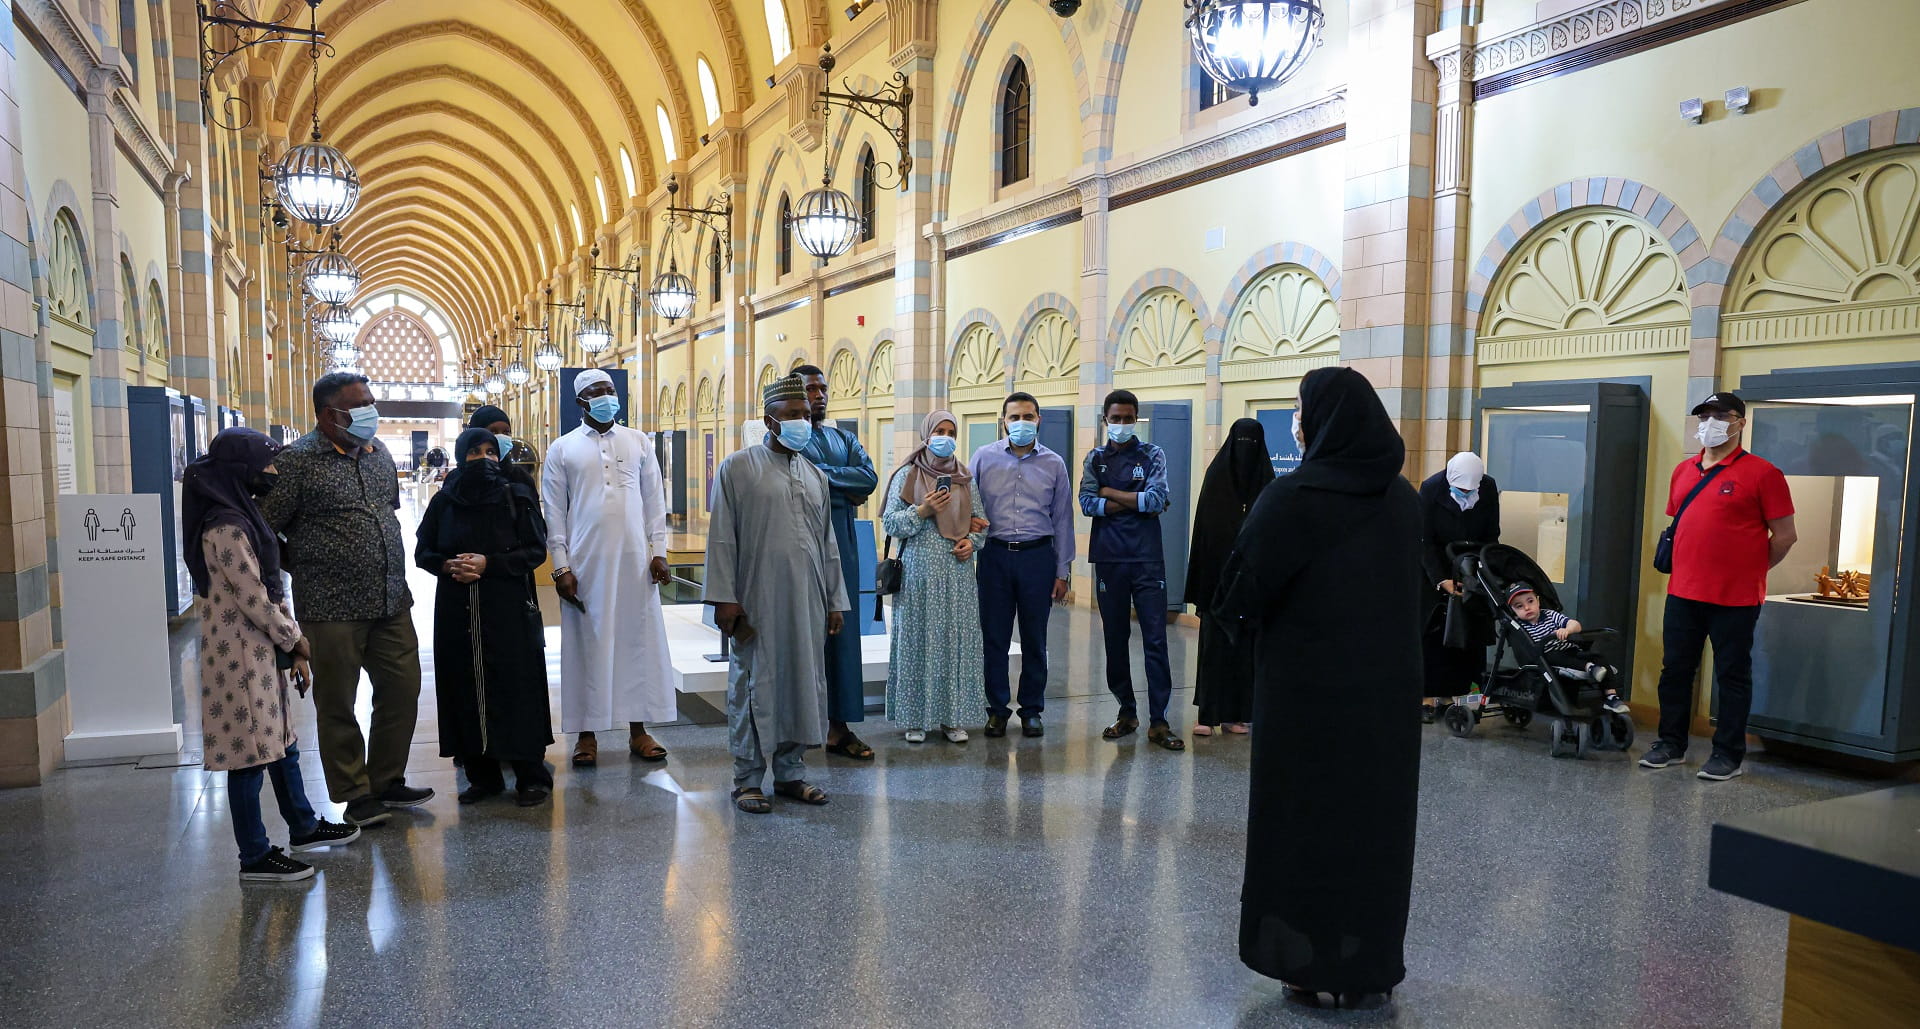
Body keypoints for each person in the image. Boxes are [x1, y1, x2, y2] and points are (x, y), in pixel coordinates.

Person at [1211, 366, 1423, 1007]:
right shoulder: (1404, 498)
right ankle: (1371, 964)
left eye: (1301, 411)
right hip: (1385, 699)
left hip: (1306, 698)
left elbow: (1237, 595)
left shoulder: (1292, 499)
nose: (1296, 424)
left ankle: (1305, 962)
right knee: (1374, 831)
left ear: (1319, 420)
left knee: (1303, 826)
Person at [186, 428, 360, 882]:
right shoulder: (224, 525)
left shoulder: (246, 515)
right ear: (240, 468)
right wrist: (295, 639)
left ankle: (302, 826)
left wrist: (291, 648)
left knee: (282, 742)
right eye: (266, 464)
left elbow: (272, 585)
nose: (273, 472)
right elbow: (252, 597)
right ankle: (255, 856)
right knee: (247, 756)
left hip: (264, 651)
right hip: (238, 656)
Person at [260, 373, 431, 827]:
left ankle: (387, 779)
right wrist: (306, 566)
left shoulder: (379, 455)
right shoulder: (296, 461)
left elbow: (387, 513)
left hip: (391, 599)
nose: (368, 412)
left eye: (370, 402)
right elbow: (265, 529)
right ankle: (355, 792)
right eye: (359, 405)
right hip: (331, 607)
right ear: (328, 414)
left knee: (402, 689)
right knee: (337, 702)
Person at [704, 373, 849, 813]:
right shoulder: (738, 468)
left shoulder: (815, 475)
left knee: (801, 683)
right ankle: (747, 778)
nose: (803, 421)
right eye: (792, 416)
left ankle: (790, 773)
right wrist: (726, 599)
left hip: (806, 600)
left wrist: (835, 599)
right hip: (756, 599)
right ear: (770, 421)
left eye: (806, 414)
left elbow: (827, 544)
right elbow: (722, 538)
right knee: (753, 685)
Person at [1642, 391, 1796, 782]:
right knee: (1675, 670)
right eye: (1704, 416)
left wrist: (1752, 570)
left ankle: (1728, 753)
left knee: (1731, 674)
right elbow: (1680, 524)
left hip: (1736, 597)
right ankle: (1670, 744)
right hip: (1683, 592)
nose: (1710, 423)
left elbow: (1785, 536)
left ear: (1740, 423)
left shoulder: (1763, 473)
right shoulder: (1684, 471)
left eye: (1720, 415)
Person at [542, 369, 678, 767]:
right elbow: (554, 512)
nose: (607, 397)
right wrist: (561, 566)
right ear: (582, 401)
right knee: (588, 643)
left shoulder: (638, 441)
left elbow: (655, 500)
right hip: (586, 562)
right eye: (597, 392)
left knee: (637, 641)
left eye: (611, 390)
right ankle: (587, 734)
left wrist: (660, 551)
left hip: (636, 560)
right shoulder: (562, 449)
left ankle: (639, 731)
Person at [417, 428, 556, 807]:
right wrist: (447, 564)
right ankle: (482, 776)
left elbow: (534, 551)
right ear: (461, 457)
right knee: (464, 686)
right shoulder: (445, 500)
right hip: (457, 609)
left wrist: (489, 564)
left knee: (516, 684)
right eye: (475, 451)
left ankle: (531, 775)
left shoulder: (516, 494)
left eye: (490, 451)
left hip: (507, 606)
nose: (484, 458)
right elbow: (422, 552)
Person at [1079, 389, 1183, 751]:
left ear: (1136, 419)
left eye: (1127, 418)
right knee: (1115, 639)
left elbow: (1157, 499)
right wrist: (1134, 501)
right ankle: (1127, 712)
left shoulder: (1152, 454)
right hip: (1109, 559)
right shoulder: (1095, 458)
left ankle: (1159, 721)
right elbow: (1087, 503)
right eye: (1115, 418)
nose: (1121, 424)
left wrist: (1113, 493)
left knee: (1156, 640)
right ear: (1105, 419)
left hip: (1146, 559)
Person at [970, 392, 1074, 739]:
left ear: (1038, 420)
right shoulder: (983, 459)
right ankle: (996, 710)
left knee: (1035, 638)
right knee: (995, 639)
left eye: (1028, 417)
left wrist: (1062, 571)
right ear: (1004, 422)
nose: (1021, 423)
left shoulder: (1054, 464)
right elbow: (968, 508)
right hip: (995, 556)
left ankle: (1032, 710)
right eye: (1014, 417)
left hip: (1037, 558)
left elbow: (1062, 520)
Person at [881, 411, 988, 744]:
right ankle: (915, 718)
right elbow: (891, 524)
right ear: (927, 435)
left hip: (956, 576)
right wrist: (922, 510)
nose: (945, 437)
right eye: (939, 431)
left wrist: (972, 543)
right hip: (918, 574)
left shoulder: (964, 478)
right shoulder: (908, 475)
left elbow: (980, 522)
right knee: (917, 642)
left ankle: (951, 717)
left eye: (951, 431)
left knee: (953, 643)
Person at [793, 363, 880, 760]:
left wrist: (829, 481)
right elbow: (797, 478)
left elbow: (868, 478)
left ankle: (839, 729)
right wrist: (844, 486)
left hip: (842, 543)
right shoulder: (786, 439)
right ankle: (794, 731)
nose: (820, 396)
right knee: (800, 634)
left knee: (843, 635)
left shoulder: (843, 437)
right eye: (811, 389)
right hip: (800, 540)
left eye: (823, 389)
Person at [1185, 417, 1275, 736]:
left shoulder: (1267, 483)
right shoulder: (1217, 478)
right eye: (1242, 442)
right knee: (1213, 650)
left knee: (1245, 651)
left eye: (1253, 443)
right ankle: (1207, 715)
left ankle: (1238, 715)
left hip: (1250, 585)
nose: (1246, 450)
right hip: (1216, 585)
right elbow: (1204, 536)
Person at [1418, 451, 1502, 722]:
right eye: (1461, 489)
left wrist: (1484, 571)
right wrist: (1440, 579)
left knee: (1468, 632)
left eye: (1470, 489)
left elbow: (1491, 534)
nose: (1466, 493)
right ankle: (1428, 695)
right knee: (1435, 633)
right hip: (1436, 569)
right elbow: (1424, 540)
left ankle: (1459, 693)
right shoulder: (1431, 489)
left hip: (1471, 568)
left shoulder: (1486, 488)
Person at [1503, 583, 1628, 714]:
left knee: (1599, 657)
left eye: (1530, 601)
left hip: (1570, 650)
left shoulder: (1550, 615)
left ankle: (1611, 697)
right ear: (1513, 611)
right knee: (1555, 655)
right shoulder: (1518, 627)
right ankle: (1589, 667)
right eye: (1519, 606)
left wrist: (1567, 629)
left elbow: (1576, 625)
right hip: (1547, 656)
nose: (1527, 607)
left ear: (1538, 601)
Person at [468, 404, 537, 493]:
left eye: (506, 432)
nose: (501, 436)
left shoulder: (521, 478)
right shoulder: (459, 481)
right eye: (493, 431)